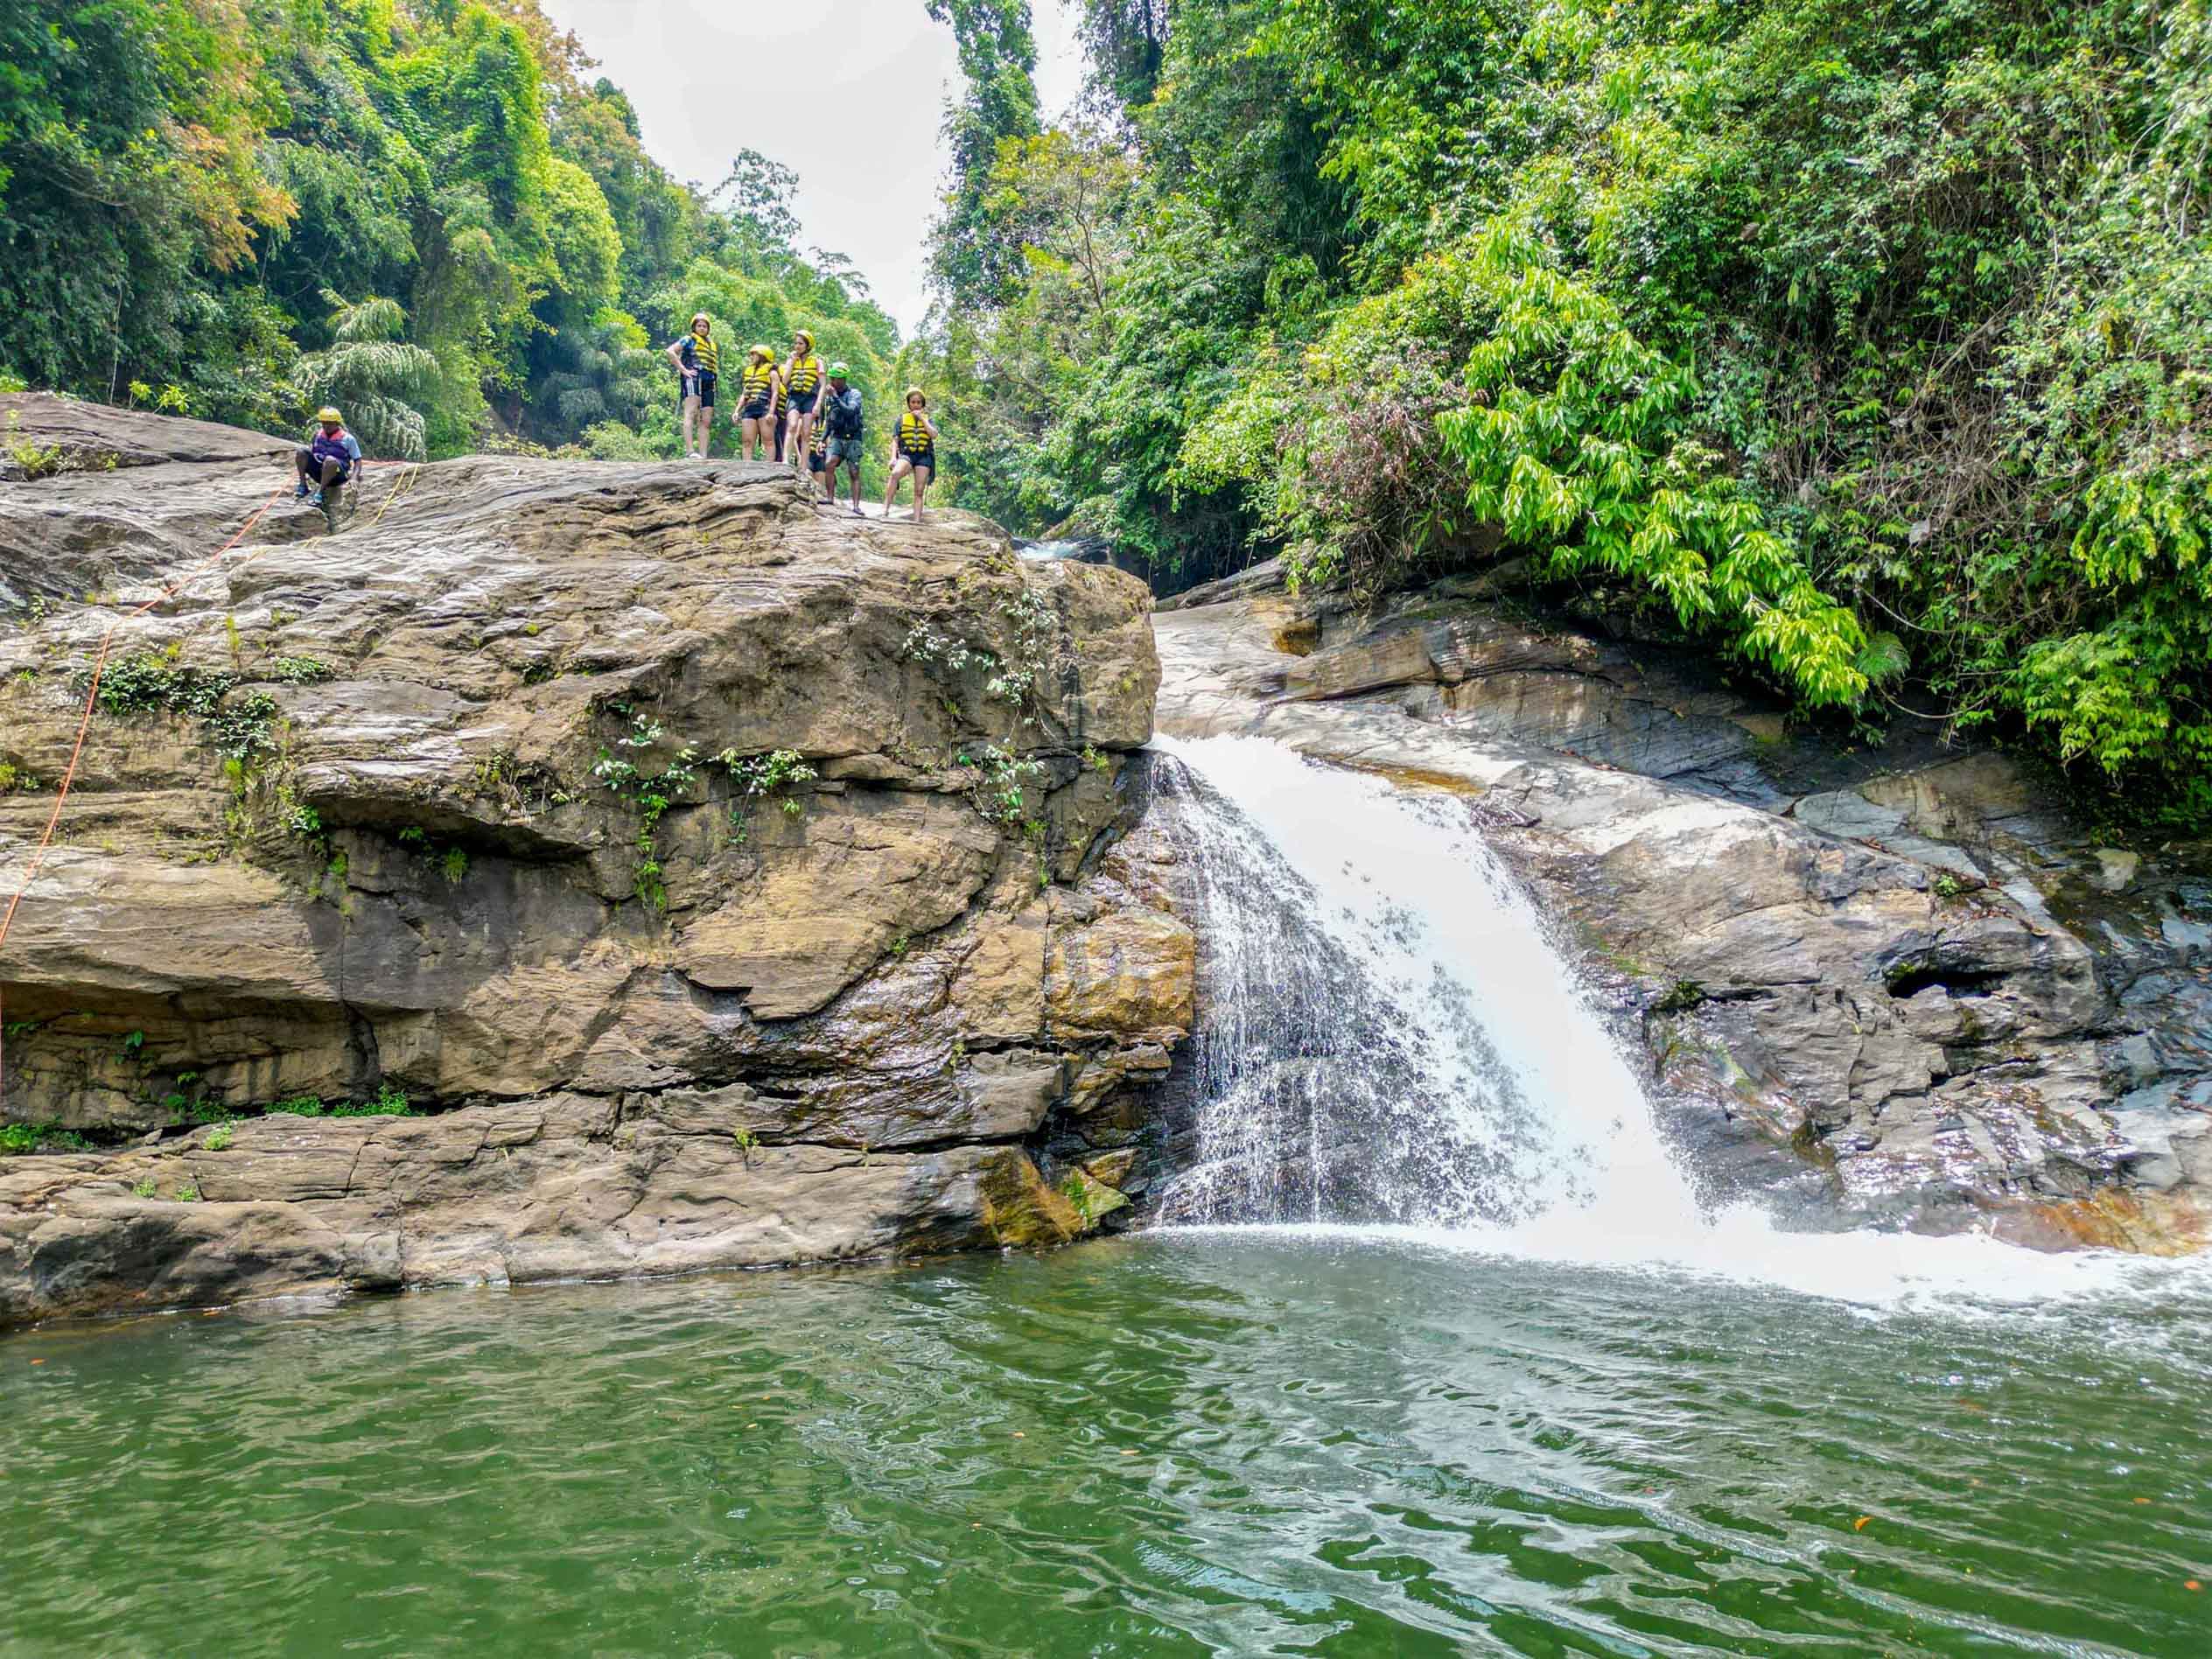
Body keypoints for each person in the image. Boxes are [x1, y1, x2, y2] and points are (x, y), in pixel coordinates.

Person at [664, 312, 719, 458]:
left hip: (709, 380)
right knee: (691, 412)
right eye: (699, 326)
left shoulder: (710, 344)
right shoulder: (688, 340)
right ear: (694, 327)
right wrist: (683, 369)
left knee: (706, 419)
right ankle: (690, 451)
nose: (702, 328)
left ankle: (703, 454)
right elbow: (670, 351)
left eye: (704, 326)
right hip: (693, 377)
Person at [886, 388, 938, 523]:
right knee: (895, 474)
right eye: (913, 402)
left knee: (919, 490)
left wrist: (922, 419)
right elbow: (895, 440)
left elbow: (934, 435)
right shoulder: (901, 419)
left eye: (918, 402)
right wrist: (893, 457)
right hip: (907, 455)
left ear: (922, 404)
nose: (916, 405)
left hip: (923, 456)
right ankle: (885, 509)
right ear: (909, 404)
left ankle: (916, 520)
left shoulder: (928, 419)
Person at [293, 407, 361, 507]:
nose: (326, 426)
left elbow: (358, 461)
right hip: (319, 473)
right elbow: (311, 451)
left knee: (330, 460)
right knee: (301, 451)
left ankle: (320, 494)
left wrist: (354, 478)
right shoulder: (317, 435)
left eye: (330, 423)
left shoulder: (348, 439)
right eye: (324, 423)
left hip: (336, 475)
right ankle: (303, 486)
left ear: (337, 423)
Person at [820, 364, 864, 514]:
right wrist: (822, 439)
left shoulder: (854, 394)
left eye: (836, 379)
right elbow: (829, 420)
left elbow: (850, 412)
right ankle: (830, 498)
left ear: (843, 379)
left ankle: (856, 506)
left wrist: (835, 397)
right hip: (837, 436)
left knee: (854, 471)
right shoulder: (830, 398)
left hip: (853, 438)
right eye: (832, 378)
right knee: (829, 463)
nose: (833, 382)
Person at [781, 328, 825, 478]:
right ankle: (786, 460)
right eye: (796, 343)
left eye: (800, 343)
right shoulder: (791, 360)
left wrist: (818, 404)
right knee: (792, 426)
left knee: (807, 433)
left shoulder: (817, 361)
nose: (797, 346)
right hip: (794, 396)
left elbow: (823, 385)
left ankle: (804, 466)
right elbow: (785, 380)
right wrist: (792, 362)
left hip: (810, 398)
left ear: (808, 345)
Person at [734, 345, 780, 462]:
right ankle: (746, 466)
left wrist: (771, 412)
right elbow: (745, 394)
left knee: (768, 440)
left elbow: (775, 393)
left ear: (762, 356)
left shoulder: (772, 373)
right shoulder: (749, 372)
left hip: (764, 407)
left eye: (754, 354)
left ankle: (769, 467)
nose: (751, 357)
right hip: (749, 408)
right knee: (747, 441)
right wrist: (737, 411)